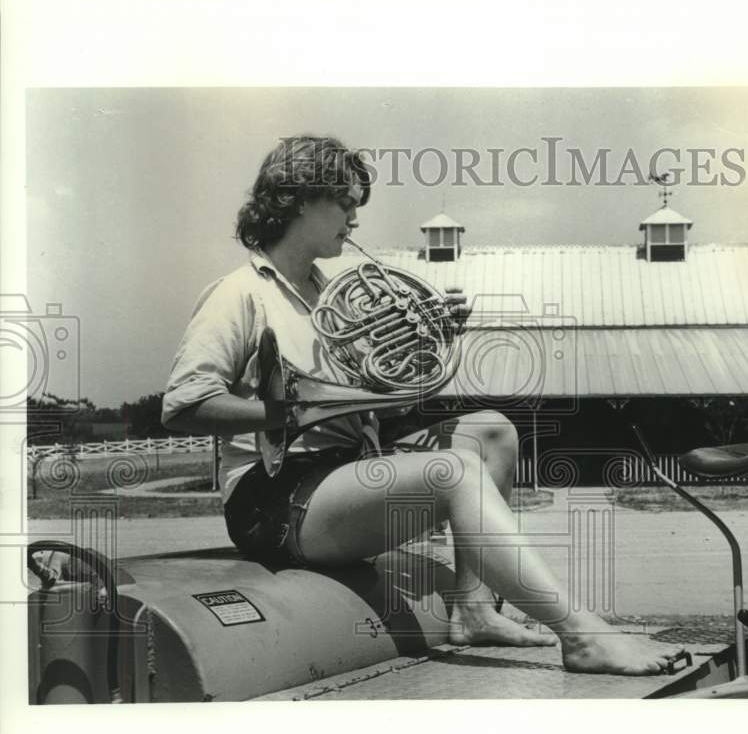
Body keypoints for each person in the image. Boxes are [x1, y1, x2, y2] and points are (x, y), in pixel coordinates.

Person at [162, 134, 680, 675]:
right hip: (274, 496)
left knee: (492, 431)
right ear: (298, 201)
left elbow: (377, 402)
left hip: (344, 473)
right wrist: (288, 414)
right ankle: (582, 636)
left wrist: (425, 337)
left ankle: (475, 610)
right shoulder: (240, 292)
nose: (354, 218)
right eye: (343, 203)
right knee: (453, 471)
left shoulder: (330, 293)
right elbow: (184, 405)